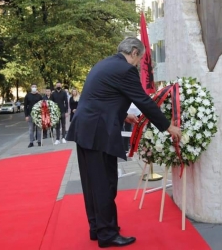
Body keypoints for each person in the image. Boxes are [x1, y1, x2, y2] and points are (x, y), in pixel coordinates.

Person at [66, 37, 182, 248]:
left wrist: (124, 115)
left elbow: (102, 98)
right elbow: (143, 101)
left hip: (85, 128)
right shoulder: (125, 70)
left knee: (91, 183)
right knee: (104, 183)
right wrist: (168, 127)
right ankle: (108, 234)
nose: (140, 64)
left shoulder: (106, 63)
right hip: (98, 133)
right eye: (141, 58)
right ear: (135, 53)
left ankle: (97, 228)